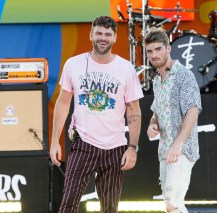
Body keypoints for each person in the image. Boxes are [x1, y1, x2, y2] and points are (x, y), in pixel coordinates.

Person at [50, 16, 143, 213]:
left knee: (110, 208)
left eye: (108, 34)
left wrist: (132, 147)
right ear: (91, 35)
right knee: (68, 204)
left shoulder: (126, 68)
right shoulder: (73, 64)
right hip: (83, 143)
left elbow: (133, 110)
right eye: (99, 33)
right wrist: (55, 141)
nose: (103, 38)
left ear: (115, 38)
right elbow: (63, 102)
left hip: (115, 147)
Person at [144, 27, 202, 213]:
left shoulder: (184, 75)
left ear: (168, 49)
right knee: (173, 204)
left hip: (181, 149)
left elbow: (192, 111)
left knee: (172, 203)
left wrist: (178, 145)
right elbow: (156, 113)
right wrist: (152, 125)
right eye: (150, 51)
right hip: (165, 150)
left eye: (158, 49)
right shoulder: (157, 80)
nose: (154, 55)